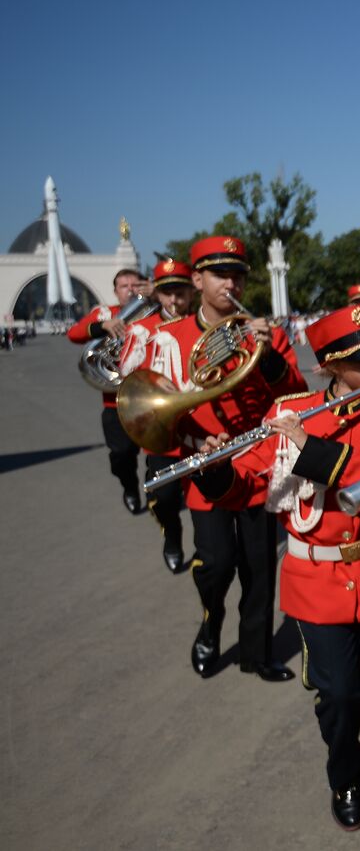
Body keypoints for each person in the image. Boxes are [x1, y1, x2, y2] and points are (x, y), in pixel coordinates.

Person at [192, 306, 360, 832]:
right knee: (341, 695)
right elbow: (250, 487)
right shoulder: (290, 411)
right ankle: (345, 778)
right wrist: (214, 472)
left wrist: (306, 446)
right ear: (329, 367)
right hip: (315, 581)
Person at [125, 235, 306, 680]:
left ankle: (257, 653)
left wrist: (266, 360)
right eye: (221, 274)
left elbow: (296, 395)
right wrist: (196, 440)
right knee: (218, 563)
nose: (232, 284)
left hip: (260, 463)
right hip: (206, 464)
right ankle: (211, 625)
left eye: (239, 275)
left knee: (260, 569)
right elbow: (155, 410)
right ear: (198, 279)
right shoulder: (170, 338)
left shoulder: (267, 332)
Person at [119, 258, 197, 573]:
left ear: (191, 293)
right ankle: (173, 537)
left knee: (207, 501)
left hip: (201, 427)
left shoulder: (203, 327)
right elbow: (128, 376)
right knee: (164, 498)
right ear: (157, 295)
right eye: (167, 294)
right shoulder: (142, 331)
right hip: (162, 432)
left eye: (180, 293)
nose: (174, 302)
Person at [67, 267, 150, 514]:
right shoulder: (105, 312)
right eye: (124, 286)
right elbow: (74, 334)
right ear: (115, 291)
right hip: (116, 402)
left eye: (135, 285)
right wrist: (103, 326)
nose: (130, 290)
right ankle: (130, 486)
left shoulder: (153, 310)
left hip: (148, 399)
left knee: (161, 454)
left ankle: (159, 493)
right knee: (122, 456)